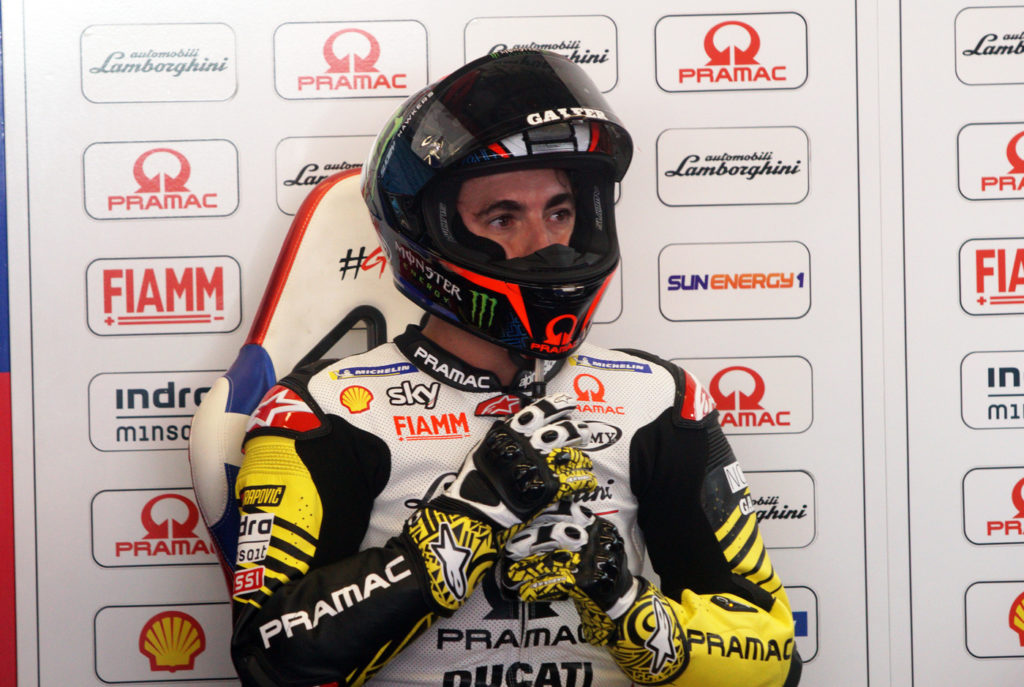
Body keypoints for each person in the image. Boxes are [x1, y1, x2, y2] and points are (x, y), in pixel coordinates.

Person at [229, 49, 802, 687]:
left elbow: (773, 660)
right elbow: (268, 661)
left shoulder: (658, 398)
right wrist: (452, 539)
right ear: (425, 232)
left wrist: (631, 610)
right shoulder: (319, 411)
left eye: (560, 212)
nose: (545, 246)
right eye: (503, 218)